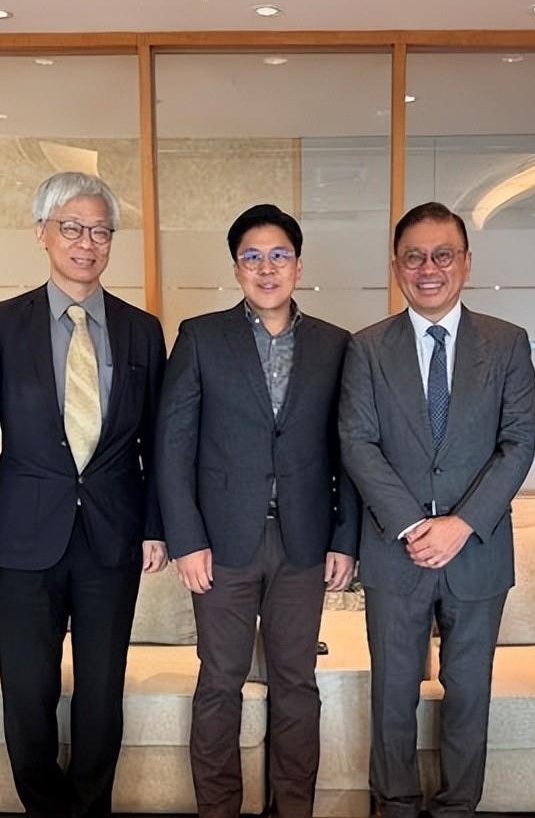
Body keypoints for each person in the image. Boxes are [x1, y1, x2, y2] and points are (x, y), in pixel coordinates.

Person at [0, 172, 168, 818]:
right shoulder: (1, 324)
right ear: (42, 233)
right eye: (72, 228)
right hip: (23, 538)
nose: (86, 243)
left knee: (101, 693)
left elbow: (159, 443)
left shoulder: (141, 330)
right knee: (28, 692)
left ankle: (91, 808)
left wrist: (156, 526)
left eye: (100, 231)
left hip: (112, 535)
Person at [156, 204, 359, 818]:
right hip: (221, 544)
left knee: (296, 683)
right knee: (220, 681)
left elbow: (349, 450)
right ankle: (218, 810)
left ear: (298, 266)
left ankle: (291, 809)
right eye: (252, 257)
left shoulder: (335, 345)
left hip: (304, 541)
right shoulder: (201, 337)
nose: (266, 268)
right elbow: (173, 445)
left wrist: (344, 538)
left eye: (278, 256)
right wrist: (186, 539)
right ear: (236, 268)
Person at [339, 202, 535, 817]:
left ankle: (457, 808)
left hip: (477, 551)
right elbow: (357, 442)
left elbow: (519, 443)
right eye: (414, 257)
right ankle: (394, 806)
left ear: (466, 263)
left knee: (469, 695)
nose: (429, 268)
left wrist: (461, 524)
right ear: (396, 266)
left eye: (442, 255)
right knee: (392, 696)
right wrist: (412, 524)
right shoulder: (367, 348)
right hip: (394, 551)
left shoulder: (506, 343)